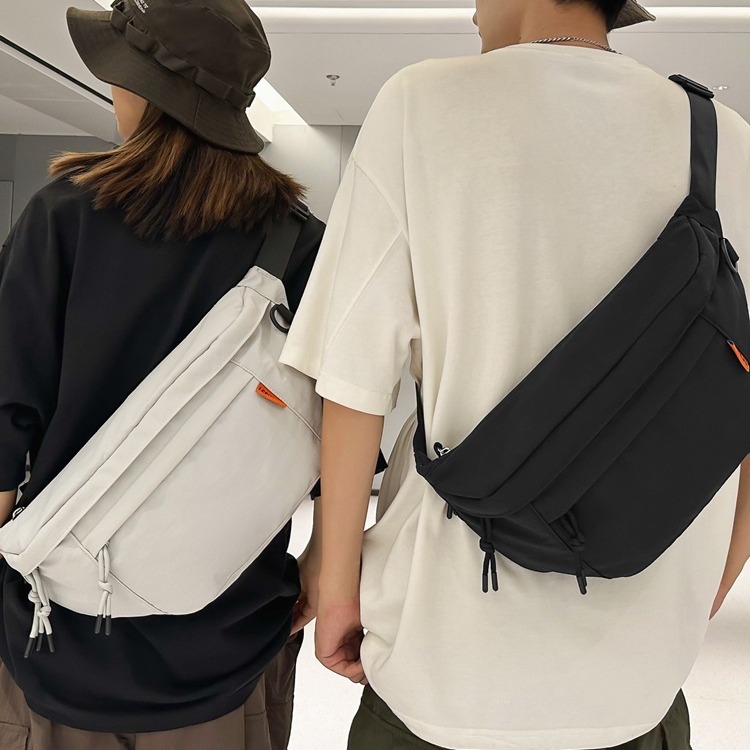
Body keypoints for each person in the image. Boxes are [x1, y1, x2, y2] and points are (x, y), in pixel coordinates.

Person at [280, 0, 750, 748]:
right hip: (636, 685)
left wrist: (336, 590)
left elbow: (354, 382)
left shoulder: (421, 105)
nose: (473, 11)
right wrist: (709, 585)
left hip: (442, 669)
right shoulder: (727, 143)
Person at [0, 1, 324, 747]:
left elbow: (6, 419)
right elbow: (335, 431)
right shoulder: (301, 244)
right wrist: (323, 563)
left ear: (147, 90)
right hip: (230, 636)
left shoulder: (63, 215)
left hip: (57, 634)